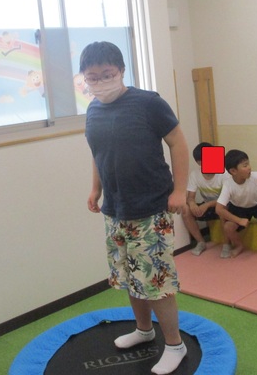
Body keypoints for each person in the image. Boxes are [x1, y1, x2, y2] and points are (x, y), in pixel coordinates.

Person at [81, 41, 189, 375]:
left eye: (107, 74)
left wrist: (180, 190)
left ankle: (176, 345)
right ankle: (144, 331)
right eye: (93, 77)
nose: (101, 82)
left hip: (150, 208)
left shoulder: (148, 103)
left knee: (155, 281)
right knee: (130, 277)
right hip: (115, 211)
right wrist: (96, 189)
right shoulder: (93, 110)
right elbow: (98, 154)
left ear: (121, 70)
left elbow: (178, 143)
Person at [216, 149, 257, 261]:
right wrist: (239, 220)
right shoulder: (228, 184)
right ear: (233, 171)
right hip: (239, 208)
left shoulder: (256, 176)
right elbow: (219, 209)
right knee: (228, 227)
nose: (249, 167)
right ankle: (239, 245)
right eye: (245, 166)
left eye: (248, 164)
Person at [182, 142, 229, 257]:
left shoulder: (224, 173)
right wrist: (192, 204)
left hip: (225, 205)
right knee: (185, 210)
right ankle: (201, 242)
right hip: (208, 206)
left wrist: (207, 205)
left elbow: (227, 198)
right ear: (199, 162)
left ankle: (227, 244)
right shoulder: (195, 175)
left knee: (221, 209)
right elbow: (190, 197)